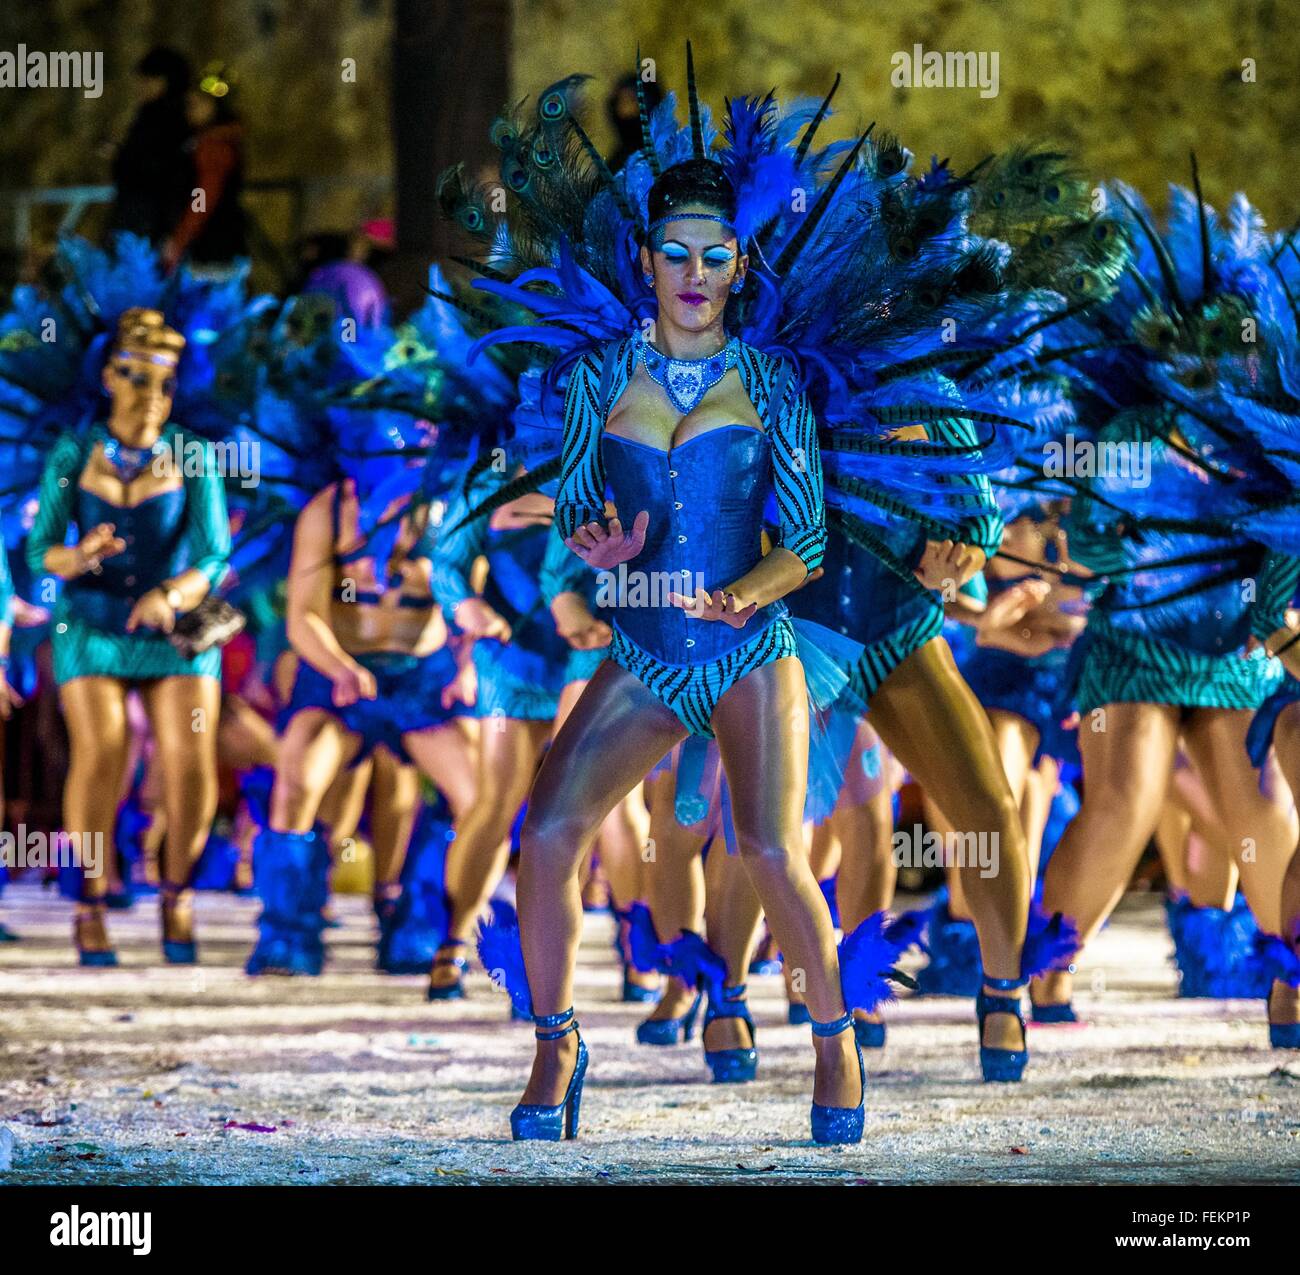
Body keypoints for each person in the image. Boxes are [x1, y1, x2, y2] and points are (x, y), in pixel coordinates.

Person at [27, 308, 231, 965]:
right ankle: (88, 901)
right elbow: (39, 554)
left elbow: (215, 555)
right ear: (109, 377)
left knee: (190, 757)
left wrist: (170, 594)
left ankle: (177, 891)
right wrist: (79, 554)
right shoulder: (73, 451)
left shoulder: (193, 454)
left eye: (166, 383)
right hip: (90, 623)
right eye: (138, 378)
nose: (153, 396)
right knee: (103, 749)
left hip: (171, 630)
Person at [163, 65, 247, 273]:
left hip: (209, 247)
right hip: (212, 242)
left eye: (196, 104)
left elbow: (203, 196)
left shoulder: (214, 146)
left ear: (214, 106)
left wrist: (182, 238)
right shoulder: (204, 141)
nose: (189, 111)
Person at [108, 47, 193, 246]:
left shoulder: (164, 119)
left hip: (150, 218)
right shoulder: (158, 116)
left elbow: (156, 166)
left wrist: (122, 157)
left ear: (166, 81)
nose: (140, 87)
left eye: (147, 80)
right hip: (148, 215)